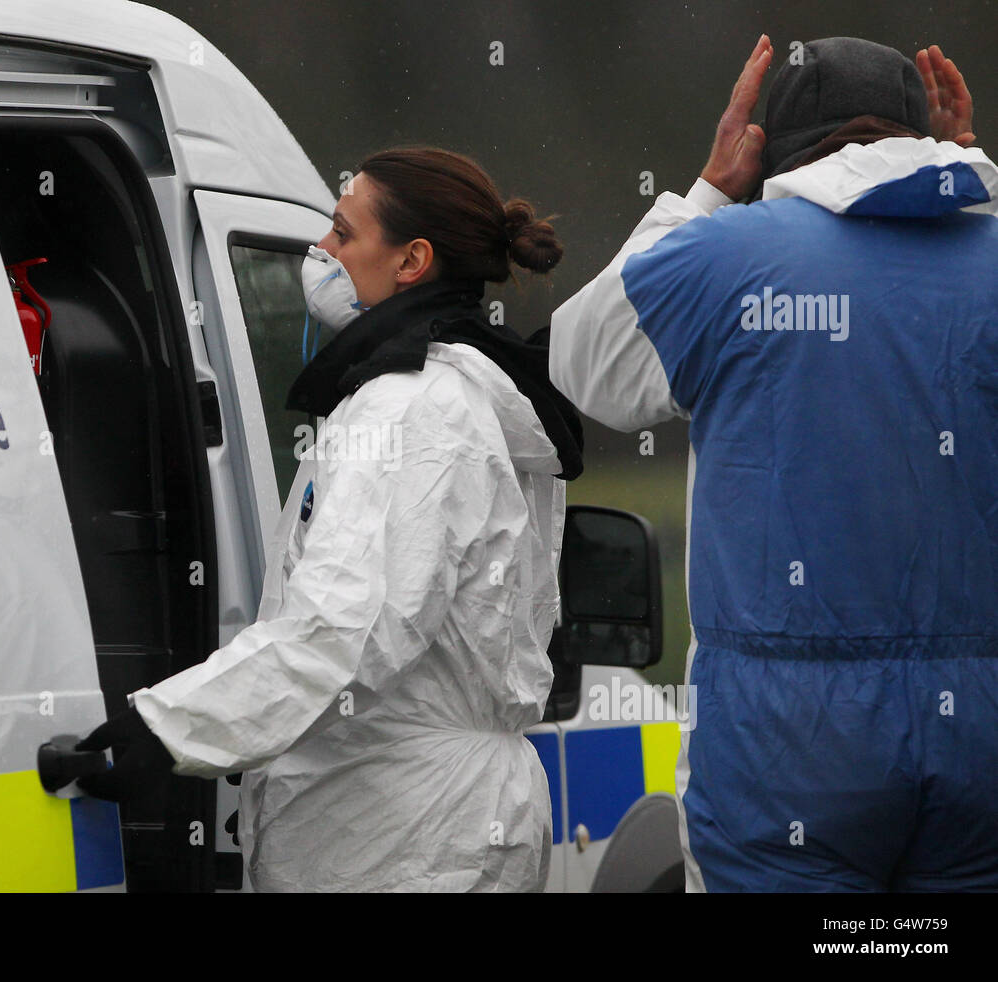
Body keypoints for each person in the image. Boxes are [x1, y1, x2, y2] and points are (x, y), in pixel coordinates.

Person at [549, 35, 998, 891]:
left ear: (773, 149)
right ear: (926, 138)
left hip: (783, 744)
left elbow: (587, 365)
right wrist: (970, 186)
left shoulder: (729, 257)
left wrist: (708, 192)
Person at [69, 147, 584, 891]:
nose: (321, 251)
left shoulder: (410, 410)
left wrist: (170, 729)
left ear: (412, 260)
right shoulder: (451, 392)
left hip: (401, 839)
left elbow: (344, 632)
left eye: (343, 234)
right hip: (421, 826)